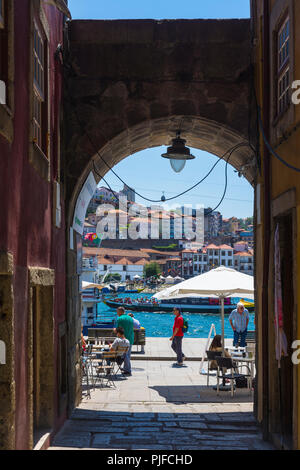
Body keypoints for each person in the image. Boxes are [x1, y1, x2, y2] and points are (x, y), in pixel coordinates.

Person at [113, 306, 134, 376]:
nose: (117, 312)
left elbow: (118, 330)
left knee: (125, 355)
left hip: (123, 339)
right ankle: (126, 369)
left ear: (120, 312)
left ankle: (128, 370)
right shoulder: (130, 318)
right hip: (130, 339)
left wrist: (114, 330)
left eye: (117, 311)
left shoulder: (120, 319)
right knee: (127, 355)